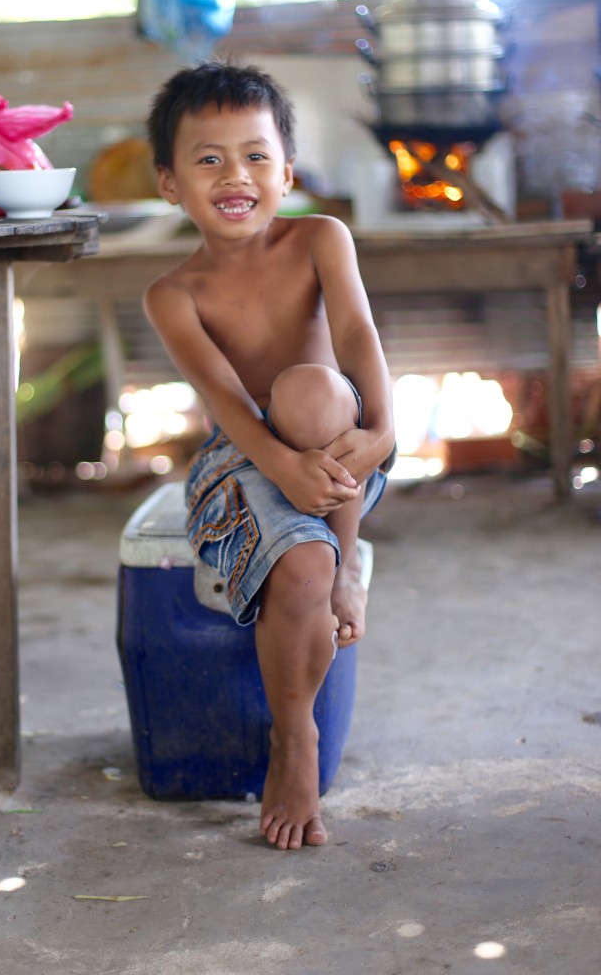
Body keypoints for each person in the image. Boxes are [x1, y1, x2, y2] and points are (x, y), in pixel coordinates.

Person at [143, 60, 396, 851]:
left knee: (312, 392)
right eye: (207, 159)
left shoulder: (322, 238)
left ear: (288, 170)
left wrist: (384, 428)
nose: (235, 175)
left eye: (255, 155)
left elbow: (356, 337)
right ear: (169, 184)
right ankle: (295, 736)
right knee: (299, 569)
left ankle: (346, 564)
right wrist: (278, 467)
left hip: (338, 447)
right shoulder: (173, 294)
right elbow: (224, 402)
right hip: (240, 457)